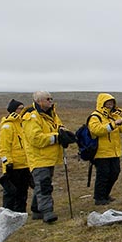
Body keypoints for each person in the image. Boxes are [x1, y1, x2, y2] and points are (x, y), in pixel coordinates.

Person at [21, 91, 71, 223]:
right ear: (39, 101)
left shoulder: (51, 113)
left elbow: (59, 125)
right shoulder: (31, 116)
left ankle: (36, 210)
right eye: (47, 99)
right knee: (44, 185)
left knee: (43, 183)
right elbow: (35, 139)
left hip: (49, 156)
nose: (51, 101)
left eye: (51, 98)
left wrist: (64, 133)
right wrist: (56, 138)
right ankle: (47, 212)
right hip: (38, 157)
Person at [87, 93, 122, 205]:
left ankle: (105, 194)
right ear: (102, 103)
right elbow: (96, 130)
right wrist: (112, 125)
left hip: (114, 151)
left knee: (114, 173)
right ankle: (99, 197)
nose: (110, 104)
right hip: (101, 152)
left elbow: (121, 130)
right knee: (103, 175)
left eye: (112, 102)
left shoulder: (115, 115)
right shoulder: (95, 116)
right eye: (108, 102)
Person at [0, 99, 30, 213]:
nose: (22, 110)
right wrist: (7, 162)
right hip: (13, 166)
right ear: (14, 110)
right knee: (11, 192)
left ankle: (20, 213)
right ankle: (7, 214)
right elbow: (3, 148)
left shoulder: (22, 124)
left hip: (25, 164)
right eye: (20, 108)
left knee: (23, 191)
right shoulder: (7, 126)